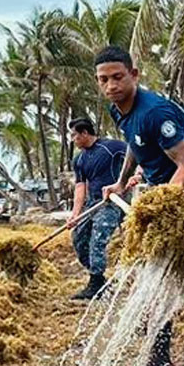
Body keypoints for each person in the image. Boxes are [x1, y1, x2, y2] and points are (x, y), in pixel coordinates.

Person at [93, 44, 184, 366]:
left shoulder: (155, 113)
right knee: (150, 276)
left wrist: (160, 202)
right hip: (165, 185)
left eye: (118, 77)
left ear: (134, 75)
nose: (111, 85)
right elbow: (135, 143)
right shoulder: (120, 110)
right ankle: (156, 361)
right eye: (104, 80)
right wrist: (120, 182)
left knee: (161, 279)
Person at [66, 117, 128, 300]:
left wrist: (137, 175)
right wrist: (75, 214)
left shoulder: (112, 147)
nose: (73, 139)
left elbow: (137, 156)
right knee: (78, 239)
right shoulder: (79, 159)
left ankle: (95, 284)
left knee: (97, 241)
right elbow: (80, 187)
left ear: (85, 133)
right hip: (92, 204)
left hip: (111, 202)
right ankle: (99, 278)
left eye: (74, 135)